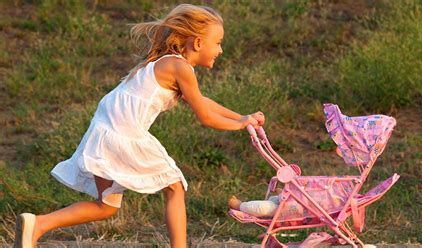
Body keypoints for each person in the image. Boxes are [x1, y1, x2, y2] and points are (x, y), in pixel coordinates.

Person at [14, 4, 264, 248]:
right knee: (175, 187)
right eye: (218, 42)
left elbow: (202, 101)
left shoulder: (167, 63)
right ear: (198, 43)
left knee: (106, 207)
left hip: (104, 131)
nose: (220, 50)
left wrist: (243, 116)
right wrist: (241, 124)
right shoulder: (179, 67)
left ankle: (38, 225)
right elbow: (206, 117)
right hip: (123, 133)